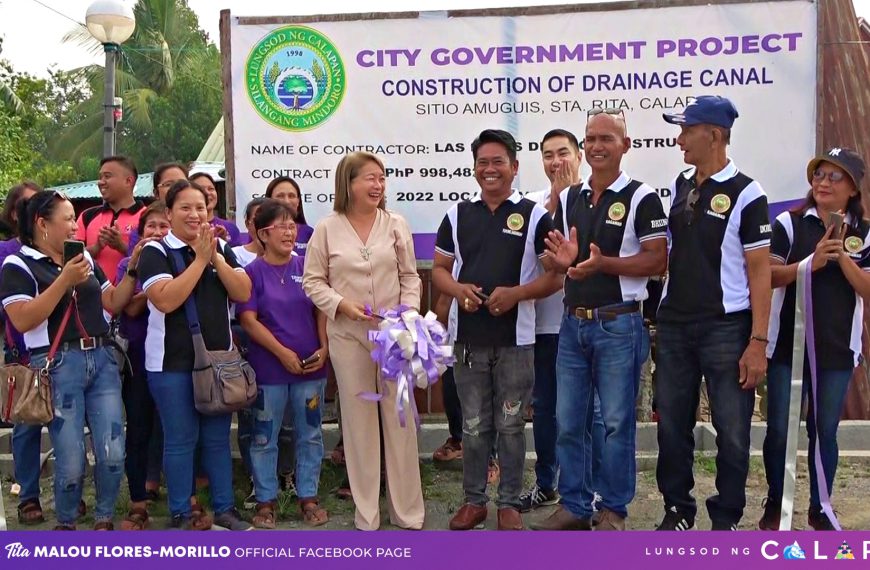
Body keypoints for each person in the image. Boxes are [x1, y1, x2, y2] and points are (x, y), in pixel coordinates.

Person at [534, 112, 667, 531]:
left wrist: (602, 264)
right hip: (573, 325)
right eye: (589, 138)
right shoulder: (571, 197)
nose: (595, 146)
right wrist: (559, 261)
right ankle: (574, 505)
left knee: (615, 424)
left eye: (605, 138)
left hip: (619, 325)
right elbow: (560, 256)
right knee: (568, 422)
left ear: (625, 145)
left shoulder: (642, 197)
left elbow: (657, 259)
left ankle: (613, 509)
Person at [433, 129, 561, 531]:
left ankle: (508, 502)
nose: (490, 170)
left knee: (509, 425)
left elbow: (555, 277)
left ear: (514, 167)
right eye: (483, 163)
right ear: (475, 169)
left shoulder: (534, 215)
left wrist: (518, 294)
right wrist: (459, 291)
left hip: (516, 343)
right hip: (468, 341)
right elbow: (438, 270)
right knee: (473, 427)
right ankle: (474, 501)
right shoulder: (457, 214)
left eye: (498, 162)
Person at [655, 96, 772, 531]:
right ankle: (677, 509)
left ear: (715, 135)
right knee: (671, 426)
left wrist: (758, 342)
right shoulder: (680, 184)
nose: (679, 138)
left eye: (687, 130)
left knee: (733, 431)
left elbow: (760, 272)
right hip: (675, 325)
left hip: (727, 327)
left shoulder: (748, 193)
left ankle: (725, 519)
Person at [0, 190, 140, 530]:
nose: (75, 228)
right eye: (67, 220)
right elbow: (22, 319)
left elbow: (112, 300)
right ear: (42, 224)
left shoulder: (84, 261)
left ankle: (104, 517)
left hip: (103, 358)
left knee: (112, 451)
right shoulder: (17, 264)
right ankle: (66, 524)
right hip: (58, 366)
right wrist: (64, 280)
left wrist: (133, 269)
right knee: (71, 458)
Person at [303, 151, 424, 531]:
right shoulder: (327, 228)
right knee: (358, 425)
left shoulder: (396, 224)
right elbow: (313, 282)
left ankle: (407, 512)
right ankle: (367, 513)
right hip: (349, 337)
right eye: (369, 178)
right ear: (348, 184)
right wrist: (341, 305)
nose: (377, 185)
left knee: (400, 422)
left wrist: (408, 315)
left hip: (393, 337)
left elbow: (410, 277)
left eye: (382, 177)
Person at [760, 147, 869, 531]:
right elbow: (769, 276)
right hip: (788, 346)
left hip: (837, 349)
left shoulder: (864, 232)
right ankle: (776, 500)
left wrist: (842, 259)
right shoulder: (789, 224)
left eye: (833, 177)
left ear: (852, 189)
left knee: (824, 430)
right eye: (818, 175)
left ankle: (820, 505)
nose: (823, 183)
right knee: (779, 430)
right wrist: (811, 262)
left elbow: (867, 289)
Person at [137, 180, 253, 531]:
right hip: (170, 364)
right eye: (185, 207)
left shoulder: (219, 248)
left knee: (218, 439)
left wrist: (214, 255)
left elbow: (243, 290)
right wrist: (199, 260)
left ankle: (224, 509)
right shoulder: (155, 252)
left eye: (200, 207)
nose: (194, 214)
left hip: (219, 362)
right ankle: (181, 513)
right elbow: (166, 299)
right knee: (181, 439)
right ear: (168, 213)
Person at [239, 200, 329, 528]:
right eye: (281, 226)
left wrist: (325, 346)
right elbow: (248, 321)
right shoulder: (251, 273)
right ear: (263, 234)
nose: (290, 231)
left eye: (292, 225)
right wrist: (281, 353)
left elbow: (321, 310)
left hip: (311, 368)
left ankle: (308, 497)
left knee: (310, 434)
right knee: (264, 436)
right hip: (270, 371)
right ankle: (266, 500)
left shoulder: (308, 267)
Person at [517, 128, 583, 513]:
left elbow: (577, 261)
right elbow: (547, 263)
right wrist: (556, 203)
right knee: (545, 409)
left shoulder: (598, 199)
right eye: (547, 155)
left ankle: (584, 489)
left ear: (579, 156)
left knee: (584, 413)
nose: (556, 162)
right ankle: (546, 483)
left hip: (586, 323)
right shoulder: (533, 206)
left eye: (563, 153)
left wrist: (567, 202)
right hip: (544, 326)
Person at [115, 202, 171, 530]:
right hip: (137, 358)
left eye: (164, 226)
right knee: (138, 428)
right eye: (151, 226)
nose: (157, 232)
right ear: (140, 231)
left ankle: (186, 500)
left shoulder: (181, 261)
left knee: (177, 431)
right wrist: (159, 291)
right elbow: (131, 311)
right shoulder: (128, 265)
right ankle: (137, 500)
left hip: (173, 357)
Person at [0, 181, 43, 524]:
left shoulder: (66, 249)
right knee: (27, 423)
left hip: (64, 350)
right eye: (28, 204)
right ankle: (28, 494)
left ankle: (69, 493)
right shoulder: (6, 254)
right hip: (22, 349)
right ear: (15, 213)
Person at [76, 156, 146, 284]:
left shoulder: (147, 217)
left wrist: (122, 247)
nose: (101, 182)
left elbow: (154, 259)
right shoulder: (87, 216)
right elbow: (70, 257)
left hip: (133, 300)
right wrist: (97, 247)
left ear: (128, 181)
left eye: (107, 176)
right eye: (100, 177)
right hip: (90, 299)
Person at [190, 172, 241, 246]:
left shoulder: (230, 228)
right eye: (201, 189)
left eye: (211, 189)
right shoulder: (187, 228)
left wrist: (224, 243)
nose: (207, 193)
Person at [266, 177, 314, 257]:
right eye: (280, 196)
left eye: (291, 196)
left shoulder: (309, 233)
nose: (286, 201)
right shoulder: (262, 232)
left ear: (298, 201)